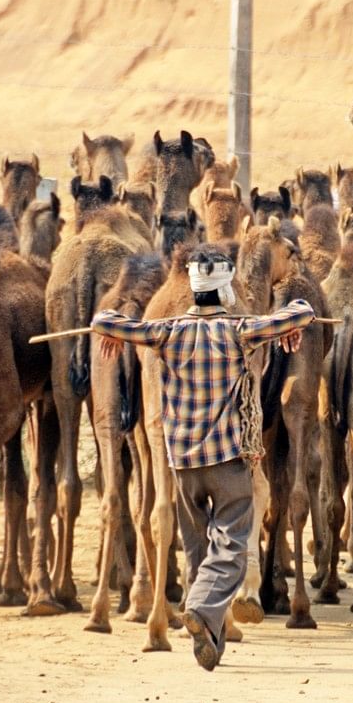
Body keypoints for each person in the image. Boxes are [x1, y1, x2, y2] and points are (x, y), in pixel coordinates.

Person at [91, 247, 313, 672]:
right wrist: (288, 328)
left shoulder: (166, 331)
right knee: (230, 547)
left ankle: (207, 638)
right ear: (226, 288)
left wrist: (110, 331)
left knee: (196, 550)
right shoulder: (239, 330)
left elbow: (105, 320)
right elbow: (298, 311)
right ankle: (199, 606)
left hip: (182, 464)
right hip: (226, 460)